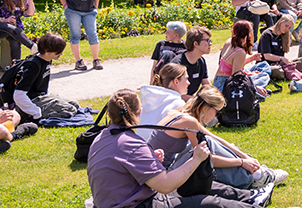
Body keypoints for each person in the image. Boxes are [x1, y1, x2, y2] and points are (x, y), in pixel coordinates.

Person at [87, 89, 261, 208]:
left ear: (109, 115)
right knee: (210, 204)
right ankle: (254, 193)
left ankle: (251, 197)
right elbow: (165, 186)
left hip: (117, 201)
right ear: (140, 112)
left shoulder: (101, 138)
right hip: (140, 203)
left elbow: (120, 171)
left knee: (203, 191)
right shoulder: (131, 144)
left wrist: (152, 158)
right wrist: (196, 159)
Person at [147, 86, 287, 190]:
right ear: (206, 107)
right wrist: (241, 162)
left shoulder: (179, 113)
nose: (216, 117)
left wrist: (245, 157)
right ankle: (255, 177)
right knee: (207, 146)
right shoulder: (190, 122)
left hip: (159, 171)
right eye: (216, 112)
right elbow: (208, 158)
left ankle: (256, 173)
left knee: (210, 142)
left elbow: (216, 138)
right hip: (164, 176)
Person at [8, 33, 68, 122]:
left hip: (41, 97)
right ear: (47, 51)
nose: (61, 54)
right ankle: (27, 115)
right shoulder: (33, 65)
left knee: (74, 105)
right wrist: (36, 112)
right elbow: (19, 94)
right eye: (58, 52)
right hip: (31, 100)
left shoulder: (47, 60)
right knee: (69, 110)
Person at [213, 21, 268, 98]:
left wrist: (251, 59)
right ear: (248, 35)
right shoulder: (240, 52)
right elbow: (236, 78)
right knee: (264, 75)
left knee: (262, 67)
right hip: (225, 87)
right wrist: (254, 87)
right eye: (252, 31)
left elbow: (232, 65)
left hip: (217, 82)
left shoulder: (229, 41)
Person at [172, 27, 212, 100]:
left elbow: (206, 85)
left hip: (190, 100)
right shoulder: (178, 64)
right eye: (207, 41)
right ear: (195, 44)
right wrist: (197, 101)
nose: (210, 44)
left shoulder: (201, 61)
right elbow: (176, 94)